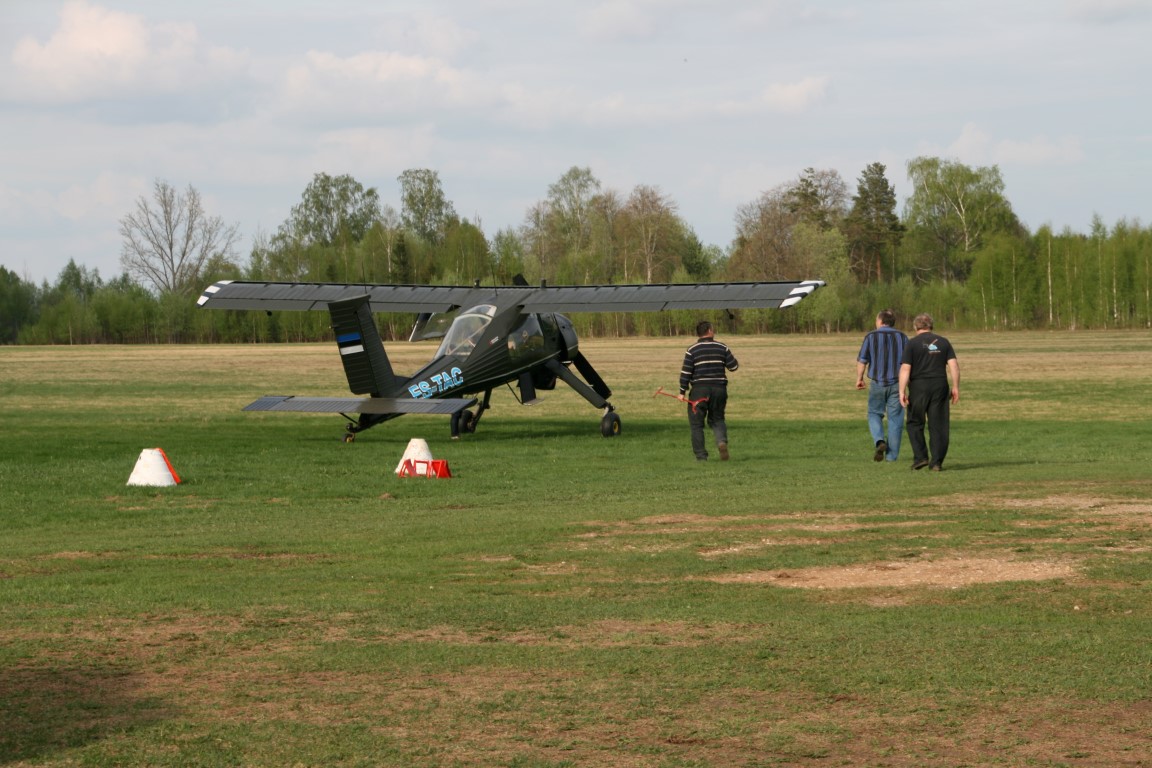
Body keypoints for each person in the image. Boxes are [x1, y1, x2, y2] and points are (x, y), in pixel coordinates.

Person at [898, 313, 960, 471]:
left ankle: (921, 457)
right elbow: (953, 365)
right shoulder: (944, 342)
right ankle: (937, 462)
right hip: (939, 385)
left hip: (918, 386)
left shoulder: (912, 344)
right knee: (939, 425)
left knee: (915, 422)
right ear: (931, 326)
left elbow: (906, 368)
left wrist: (901, 391)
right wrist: (955, 387)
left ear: (915, 327)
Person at [679, 320, 739, 461]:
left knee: (696, 424)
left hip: (699, 391)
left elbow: (686, 373)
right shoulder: (722, 347)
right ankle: (721, 442)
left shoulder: (692, 350)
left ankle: (701, 456)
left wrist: (682, 392)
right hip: (719, 389)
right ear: (710, 331)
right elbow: (734, 367)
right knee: (717, 419)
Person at [856, 309, 909, 462]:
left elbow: (862, 360)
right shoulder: (902, 337)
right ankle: (891, 457)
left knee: (874, 413)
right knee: (895, 419)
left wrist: (859, 378)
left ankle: (879, 440)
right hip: (897, 384)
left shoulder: (871, 336)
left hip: (877, 383)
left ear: (880, 321)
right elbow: (908, 363)